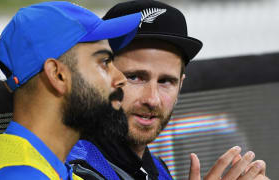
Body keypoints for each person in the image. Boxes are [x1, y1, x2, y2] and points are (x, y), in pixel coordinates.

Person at [68, 1, 269, 180]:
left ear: (181, 84)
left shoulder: (155, 168)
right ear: (97, 75)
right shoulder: (69, 168)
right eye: (134, 77)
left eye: (166, 81)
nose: (152, 99)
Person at [0, 1, 141, 179]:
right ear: (57, 75)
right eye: (104, 62)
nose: (121, 79)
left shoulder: (50, 167)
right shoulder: (20, 174)